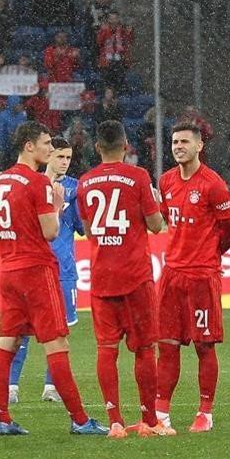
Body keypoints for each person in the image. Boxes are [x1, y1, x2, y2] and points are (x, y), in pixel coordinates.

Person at [0, 121, 106, 436]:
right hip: (37, 271)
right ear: (29, 146)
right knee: (57, 342)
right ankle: (80, 420)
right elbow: (51, 232)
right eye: (45, 144)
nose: (50, 150)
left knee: (7, 342)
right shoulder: (38, 183)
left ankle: (2, 417)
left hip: (8, 268)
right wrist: (54, 201)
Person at [77, 120, 174, 438]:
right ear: (126, 146)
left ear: (96, 148)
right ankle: (149, 421)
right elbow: (156, 224)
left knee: (107, 349)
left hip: (102, 277)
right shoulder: (138, 177)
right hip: (135, 276)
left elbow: (90, 229)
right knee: (145, 349)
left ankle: (115, 422)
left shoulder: (86, 182)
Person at [155, 123, 230, 432]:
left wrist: (210, 254)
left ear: (199, 146)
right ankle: (161, 413)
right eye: (175, 142)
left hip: (202, 276)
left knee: (204, 346)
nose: (178, 146)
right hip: (172, 275)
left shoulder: (213, 184)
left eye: (185, 142)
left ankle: (205, 413)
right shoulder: (166, 181)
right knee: (167, 344)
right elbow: (166, 218)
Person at [8, 137, 84, 403]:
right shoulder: (33, 184)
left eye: (68, 158)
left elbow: (82, 227)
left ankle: (51, 387)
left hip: (63, 271)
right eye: (59, 156)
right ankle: (12, 387)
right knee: (24, 330)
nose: (64, 162)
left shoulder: (76, 189)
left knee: (60, 333)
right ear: (48, 156)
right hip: (34, 268)